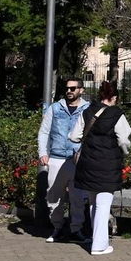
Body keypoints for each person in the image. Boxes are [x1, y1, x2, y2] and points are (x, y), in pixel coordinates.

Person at [70, 83, 131, 256]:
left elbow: (74, 136)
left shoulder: (87, 111)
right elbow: (124, 139)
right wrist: (124, 151)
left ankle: (96, 238)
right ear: (114, 98)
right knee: (104, 204)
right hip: (108, 165)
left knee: (93, 203)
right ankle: (99, 245)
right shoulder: (116, 114)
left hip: (88, 163)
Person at [36, 79, 89, 243]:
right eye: (67, 88)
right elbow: (44, 131)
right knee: (53, 195)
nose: (69, 91)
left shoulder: (87, 109)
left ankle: (76, 230)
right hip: (57, 158)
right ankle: (57, 227)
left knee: (78, 198)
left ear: (81, 90)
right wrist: (43, 152)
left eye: (73, 88)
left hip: (77, 160)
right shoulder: (55, 108)